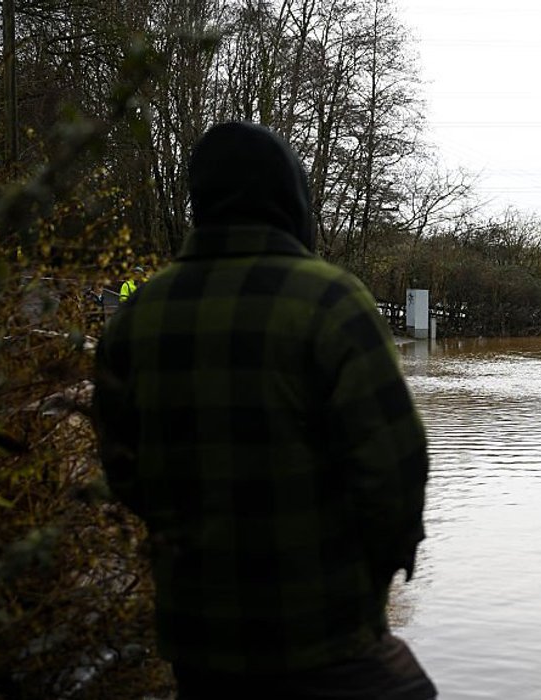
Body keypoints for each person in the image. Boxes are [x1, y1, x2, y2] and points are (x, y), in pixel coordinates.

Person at [92, 122, 436, 699]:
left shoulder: (137, 315)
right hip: (324, 631)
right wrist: (383, 566)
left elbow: (122, 470)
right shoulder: (330, 300)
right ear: (291, 199)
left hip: (198, 634)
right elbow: (395, 466)